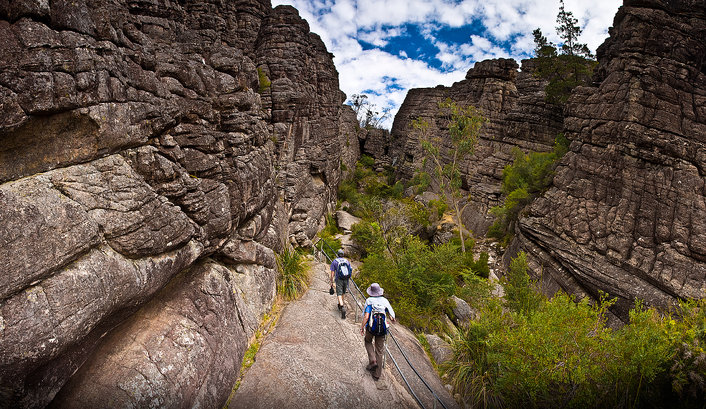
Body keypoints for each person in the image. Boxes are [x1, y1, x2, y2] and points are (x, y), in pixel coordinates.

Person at [359, 282, 396, 381]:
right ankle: (377, 375)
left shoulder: (369, 301)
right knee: (379, 350)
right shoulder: (385, 301)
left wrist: (362, 327)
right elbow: (391, 314)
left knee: (367, 341)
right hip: (382, 330)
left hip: (371, 328)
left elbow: (366, 316)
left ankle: (372, 360)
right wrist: (392, 318)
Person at [330, 249, 352, 319]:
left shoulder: (335, 261)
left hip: (339, 279)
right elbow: (350, 269)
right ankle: (340, 304)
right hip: (346, 278)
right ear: (343, 255)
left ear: (337, 254)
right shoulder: (346, 261)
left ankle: (342, 307)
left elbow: (332, 272)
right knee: (343, 292)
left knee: (339, 293)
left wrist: (331, 280)